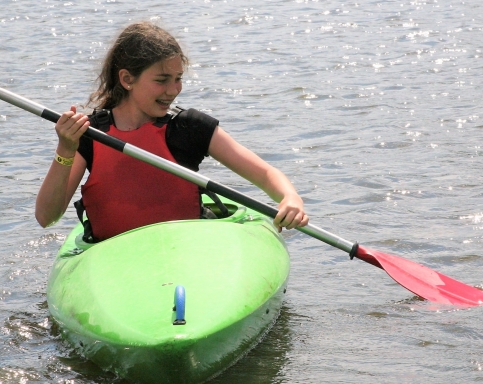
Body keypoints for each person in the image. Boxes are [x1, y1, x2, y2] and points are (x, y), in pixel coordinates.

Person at [35, 21, 308, 241]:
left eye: (178, 79)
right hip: (114, 262)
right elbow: (46, 216)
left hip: (185, 251)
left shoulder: (189, 128)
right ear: (127, 79)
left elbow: (266, 174)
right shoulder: (91, 135)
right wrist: (65, 149)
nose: (173, 90)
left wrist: (290, 198)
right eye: (162, 80)